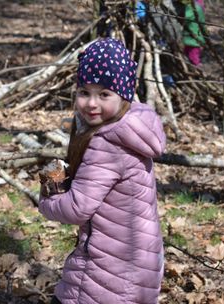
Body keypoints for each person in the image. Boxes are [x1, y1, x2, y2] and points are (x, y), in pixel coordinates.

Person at [38, 38, 166, 304]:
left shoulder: (108, 143)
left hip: (108, 268)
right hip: (135, 261)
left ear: (123, 95)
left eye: (104, 94)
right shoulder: (133, 126)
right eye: (84, 92)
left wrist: (49, 188)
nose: (92, 103)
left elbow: (77, 208)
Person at [182, 0, 206, 66]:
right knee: (190, 52)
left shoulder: (193, 7)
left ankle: (196, 66)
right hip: (193, 35)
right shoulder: (197, 6)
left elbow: (187, 17)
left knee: (193, 54)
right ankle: (193, 65)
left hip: (192, 36)